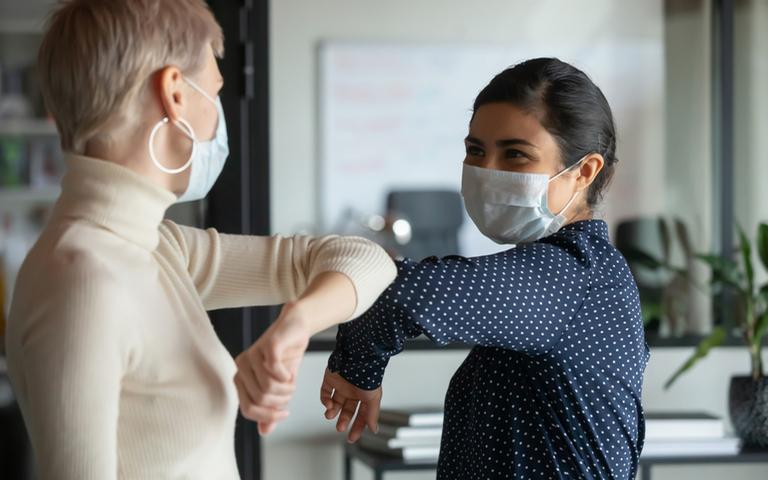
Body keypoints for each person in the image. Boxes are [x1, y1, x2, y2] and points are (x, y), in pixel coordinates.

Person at [3, 1, 396, 479]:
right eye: (214, 91)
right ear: (173, 93)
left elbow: (367, 259)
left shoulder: (156, 246)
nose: (217, 115)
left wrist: (295, 324)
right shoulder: (81, 277)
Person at [309, 58, 649, 479]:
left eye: (515, 155)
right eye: (475, 150)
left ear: (584, 172)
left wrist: (357, 369)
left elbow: (399, 293)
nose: (486, 172)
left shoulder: (571, 275)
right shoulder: (579, 272)